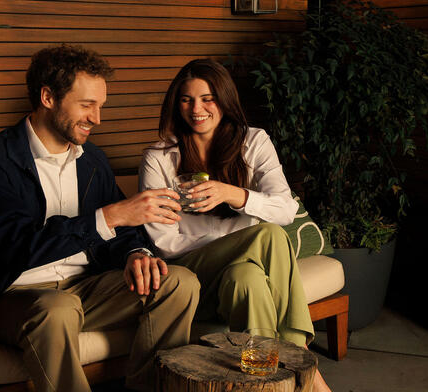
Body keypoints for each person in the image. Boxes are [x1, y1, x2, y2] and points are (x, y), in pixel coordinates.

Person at [0, 44, 200, 392]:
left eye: (100, 106)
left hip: (84, 289)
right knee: (56, 309)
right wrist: (108, 217)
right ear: (47, 97)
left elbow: (122, 227)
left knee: (179, 283)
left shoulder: (92, 160)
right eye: (87, 105)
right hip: (13, 296)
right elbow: (10, 248)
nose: (97, 118)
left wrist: (135, 254)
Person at [139, 59, 332, 392]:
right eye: (186, 99)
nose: (196, 108)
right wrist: (226, 246)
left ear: (224, 99)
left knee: (248, 280)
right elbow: (164, 242)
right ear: (176, 103)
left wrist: (235, 194)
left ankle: (265, 384)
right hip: (191, 268)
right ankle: (302, 363)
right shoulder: (159, 157)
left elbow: (285, 209)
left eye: (207, 98)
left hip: (243, 268)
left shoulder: (253, 142)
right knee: (268, 235)